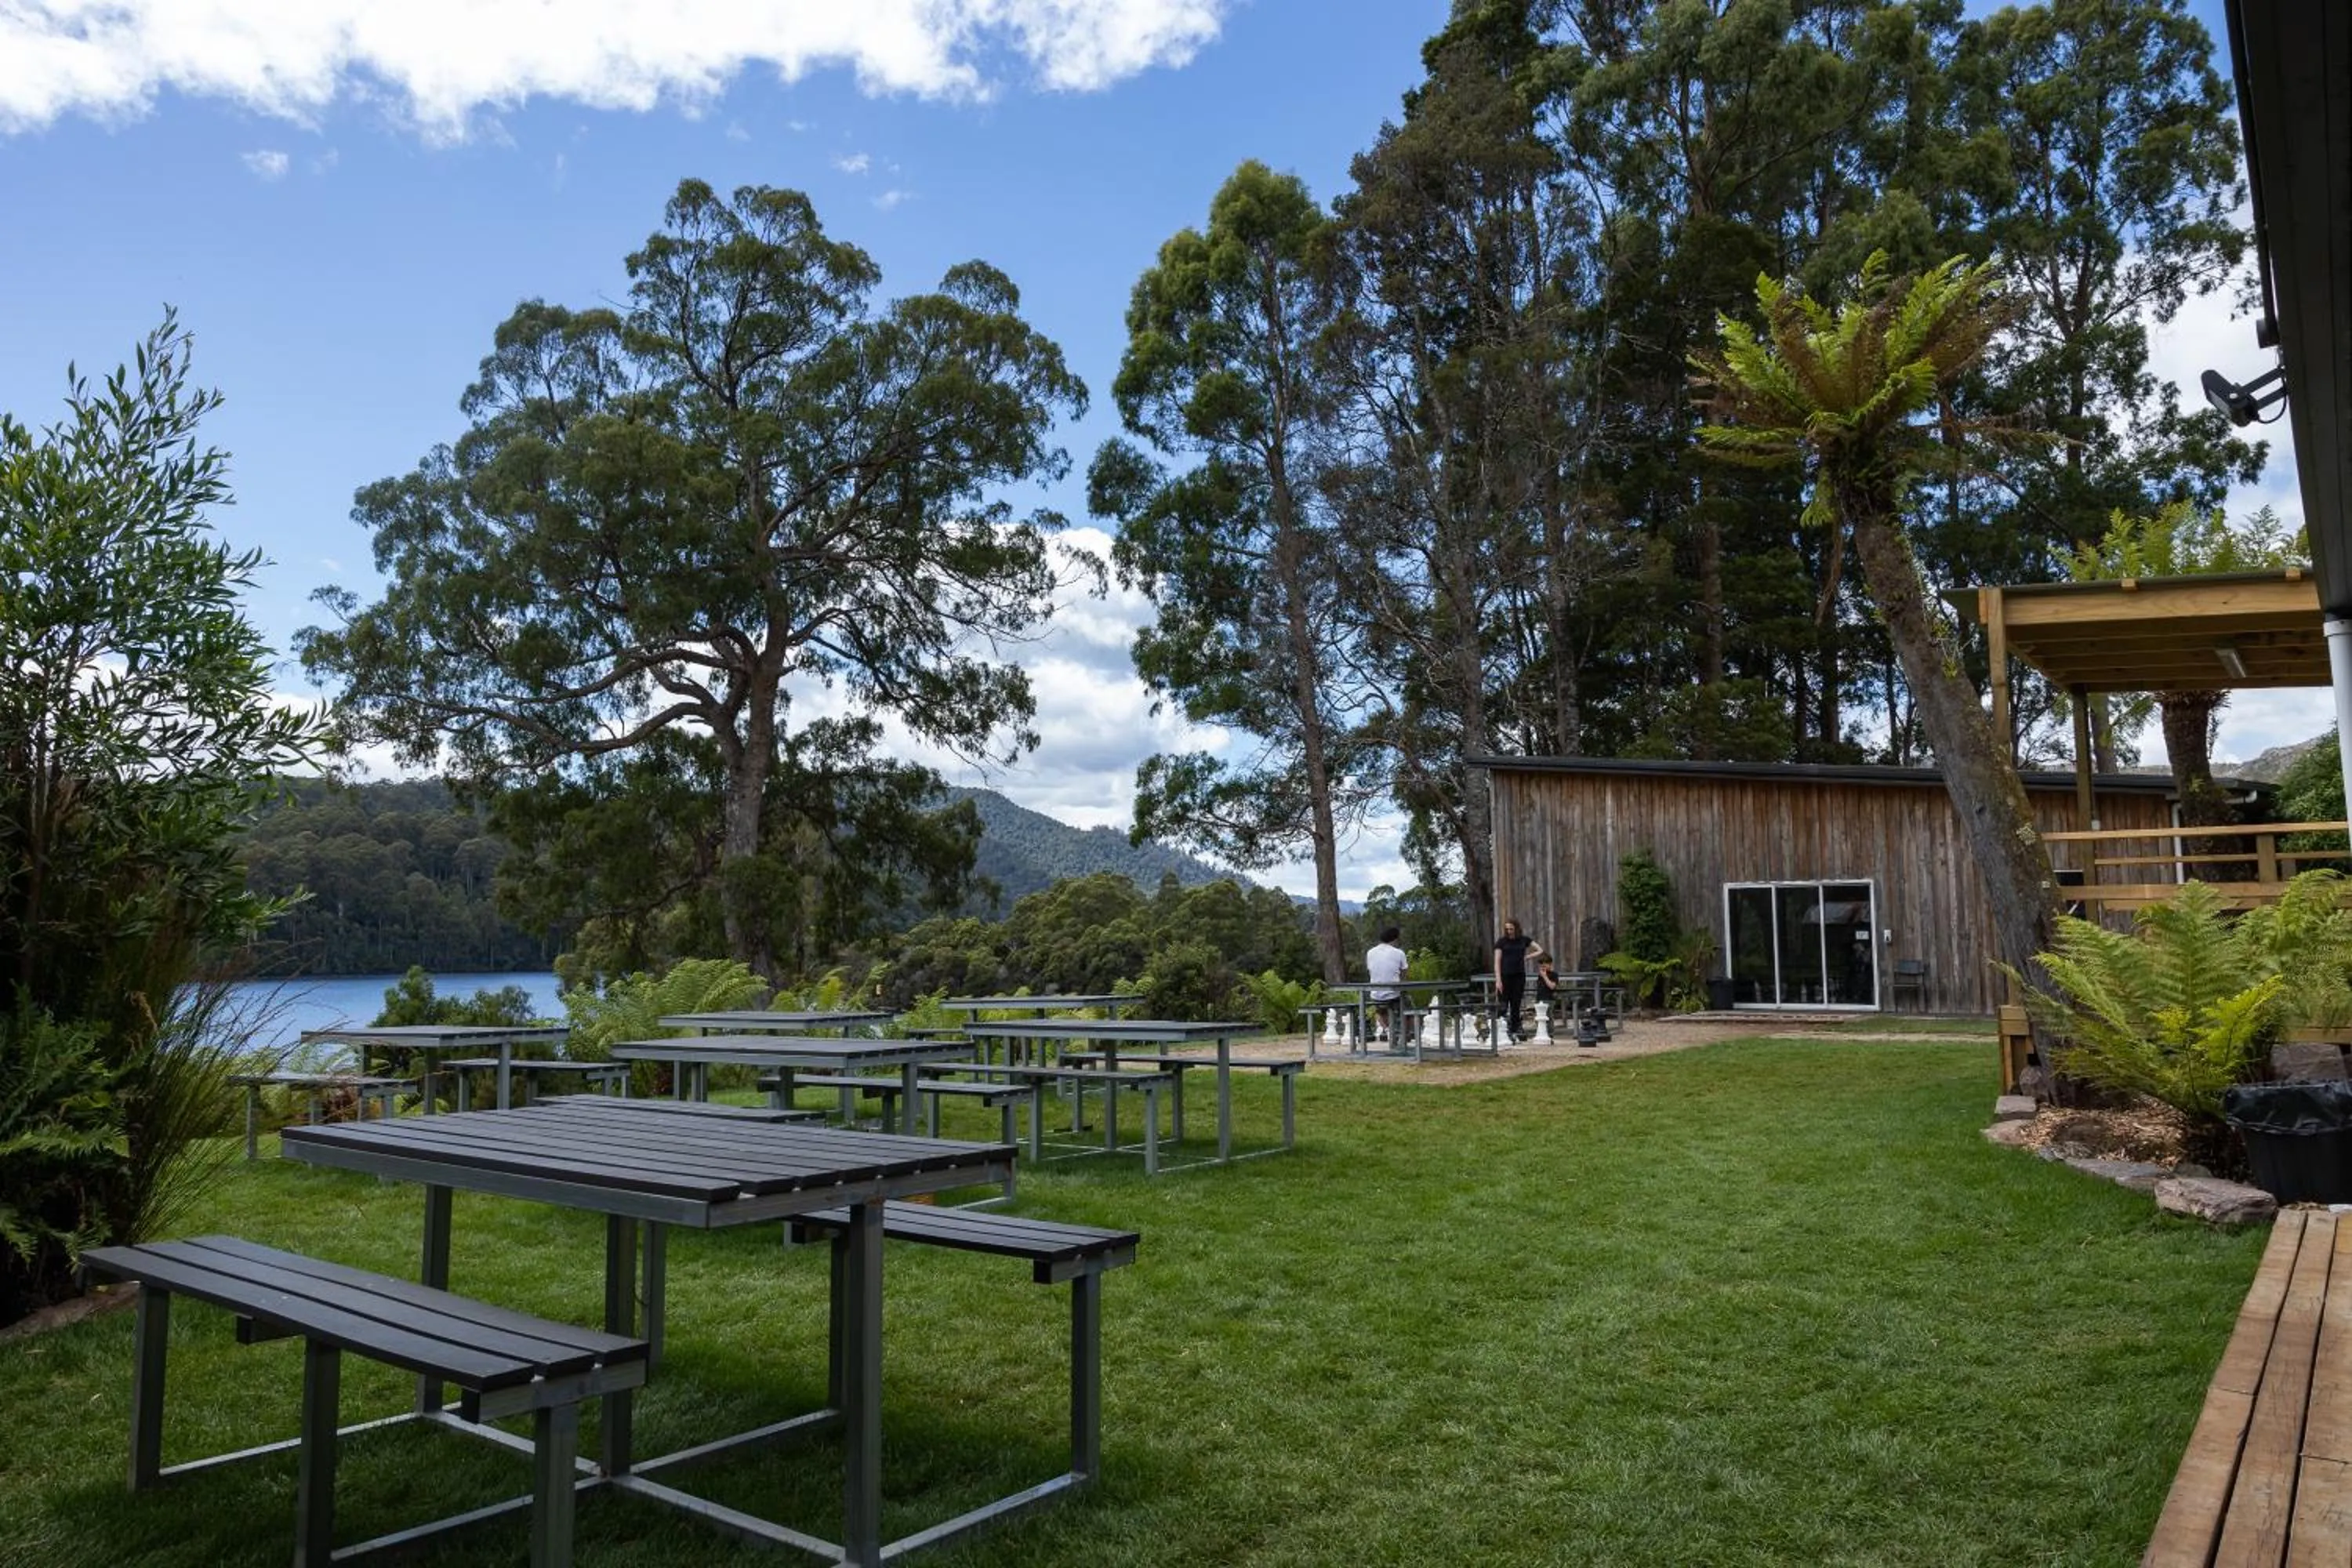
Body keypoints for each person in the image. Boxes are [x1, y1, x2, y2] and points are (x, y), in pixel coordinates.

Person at [1365, 924, 1409, 1045]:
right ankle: (1403, 1034)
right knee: (1408, 1007)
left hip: (1375, 994)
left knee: (1379, 1010)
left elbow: (1370, 971)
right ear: (1395, 939)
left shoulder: (1370, 952)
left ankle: (1388, 1029)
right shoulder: (1399, 953)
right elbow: (1404, 972)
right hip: (1394, 994)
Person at [1494, 919, 1534, 1040]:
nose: (1509, 931)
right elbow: (1497, 962)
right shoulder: (1501, 942)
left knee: (1516, 1003)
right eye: (1507, 929)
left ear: (1516, 928)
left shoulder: (1523, 940)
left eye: (1511, 929)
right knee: (1503, 1004)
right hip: (1505, 976)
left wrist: (1527, 957)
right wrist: (1498, 980)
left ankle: (1516, 1027)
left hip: (1519, 975)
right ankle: (1501, 1027)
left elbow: (1540, 950)